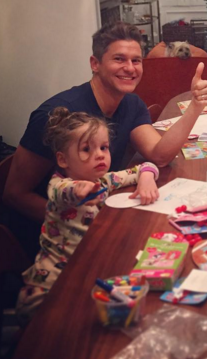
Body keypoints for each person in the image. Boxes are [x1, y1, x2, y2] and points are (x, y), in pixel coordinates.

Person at [3, 22, 207, 254]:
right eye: (119, 59)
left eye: (136, 61)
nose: (130, 68)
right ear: (95, 64)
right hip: (52, 242)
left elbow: (160, 155)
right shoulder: (55, 114)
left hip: (101, 214)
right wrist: (75, 220)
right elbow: (15, 194)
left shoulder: (131, 103)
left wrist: (195, 106)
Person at [16, 107, 159, 320]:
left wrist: (147, 178)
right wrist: (79, 190)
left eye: (104, 147)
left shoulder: (103, 181)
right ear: (63, 160)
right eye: (86, 149)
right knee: (42, 331)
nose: (100, 155)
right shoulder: (57, 184)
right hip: (51, 282)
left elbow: (143, 167)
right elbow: (65, 193)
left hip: (88, 267)